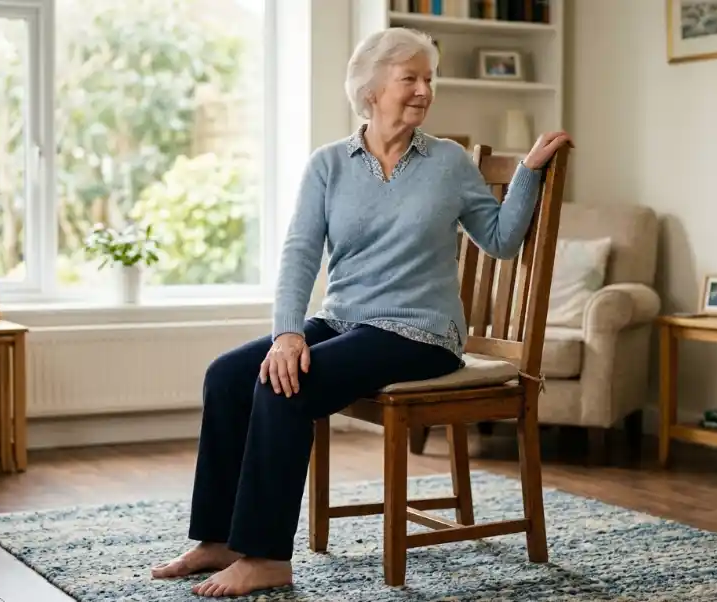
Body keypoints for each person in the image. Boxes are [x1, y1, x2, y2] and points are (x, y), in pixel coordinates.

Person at [150, 26, 572, 598]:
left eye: (430, 79)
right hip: (346, 319)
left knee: (285, 388)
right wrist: (288, 333)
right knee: (228, 375)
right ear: (371, 89)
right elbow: (300, 254)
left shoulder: (447, 162)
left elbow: (498, 241)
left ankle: (267, 556)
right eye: (411, 78)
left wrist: (527, 173)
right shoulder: (329, 165)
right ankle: (219, 538)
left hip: (422, 332)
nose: (425, 90)